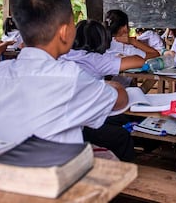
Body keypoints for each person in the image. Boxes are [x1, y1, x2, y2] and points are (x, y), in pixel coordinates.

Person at [0, 0, 128, 145]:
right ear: (64, 32)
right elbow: (120, 100)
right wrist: (113, 85)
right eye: (73, 23)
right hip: (51, 169)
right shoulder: (69, 76)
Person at [61, 19, 143, 161]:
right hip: (81, 124)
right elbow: (139, 60)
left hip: (67, 118)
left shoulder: (63, 55)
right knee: (122, 134)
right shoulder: (95, 59)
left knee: (116, 120)